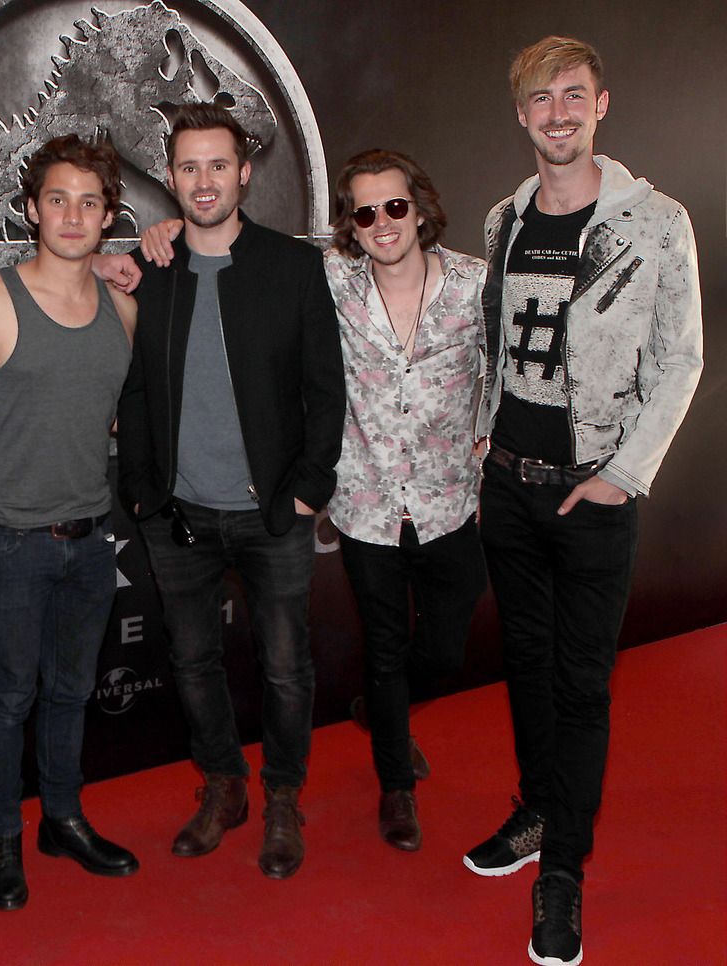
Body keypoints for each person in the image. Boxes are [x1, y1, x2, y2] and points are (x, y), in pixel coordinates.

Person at [463, 36, 702, 966]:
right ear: (521, 116)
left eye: (573, 96)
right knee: (524, 664)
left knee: (580, 682)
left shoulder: (654, 222)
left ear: (601, 103)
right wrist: (488, 433)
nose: (556, 113)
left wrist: (623, 473)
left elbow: (681, 360)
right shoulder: (503, 219)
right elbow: (500, 347)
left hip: (595, 495)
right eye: (539, 100)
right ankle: (535, 811)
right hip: (510, 488)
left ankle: (563, 870)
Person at [118, 103, 345, 879]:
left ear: (245, 172)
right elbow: (138, 391)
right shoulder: (152, 267)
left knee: (286, 667)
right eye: (188, 167)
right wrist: (145, 495)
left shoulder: (293, 266)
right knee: (192, 663)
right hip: (177, 516)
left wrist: (309, 492)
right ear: (170, 177)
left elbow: (326, 390)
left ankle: (283, 794)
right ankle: (223, 785)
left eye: (218, 165)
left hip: (274, 515)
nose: (204, 180)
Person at [0, 135, 138, 911]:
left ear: (109, 216)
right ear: (32, 209)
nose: (74, 215)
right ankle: (3, 835)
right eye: (59, 199)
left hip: (91, 538)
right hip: (10, 541)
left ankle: (62, 819)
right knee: (12, 697)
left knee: (71, 691)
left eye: (91, 201)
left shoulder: (124, 310)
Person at [323, 150, 487, 852]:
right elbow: (246, 249)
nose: (382, 223)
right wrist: (161, 238)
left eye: (394, 206)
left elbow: (512, 366)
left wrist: (490, 433)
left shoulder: (476, 286)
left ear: (419, 207)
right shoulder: (334, 283)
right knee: (385, 649)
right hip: (365, 504)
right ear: (351, 227)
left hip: (451, 501)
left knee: (445, 648)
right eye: (365, 212)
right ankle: (396, 785)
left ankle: (381, 711)